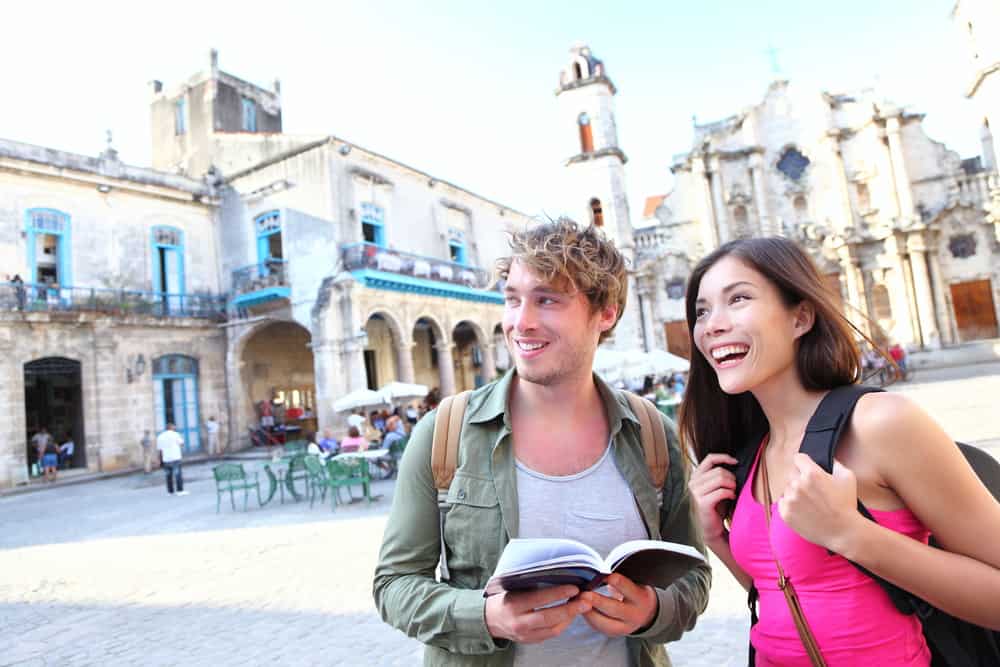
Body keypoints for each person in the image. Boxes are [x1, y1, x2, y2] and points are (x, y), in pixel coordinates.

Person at [374, 219, 710, 666]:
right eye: (513, 299)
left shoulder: (651, 434)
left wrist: (653, 610)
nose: (521, 322)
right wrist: (486, 617)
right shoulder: (444, 432)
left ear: (605, 312)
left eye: (547, 300)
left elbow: (694, 576)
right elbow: (394, 585)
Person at [684, 237, 1000, 666]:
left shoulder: (879, 423)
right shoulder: (748, 453)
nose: (711, 325)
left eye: (738, 298)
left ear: (801, 318)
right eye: (702, 311)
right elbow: (791, 595)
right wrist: (715, 537)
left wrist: (851, 533)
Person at [156, 423, 187, 496]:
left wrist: (159, 460)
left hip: (166, 458)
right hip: (175, 457)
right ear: (172, 427)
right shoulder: (175, 434)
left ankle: (170, 491)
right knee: (178, 474)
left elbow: (159, 450)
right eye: (174, 427)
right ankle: (180, 490)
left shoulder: (160, 436)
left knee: (168, 475)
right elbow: (182, 444)